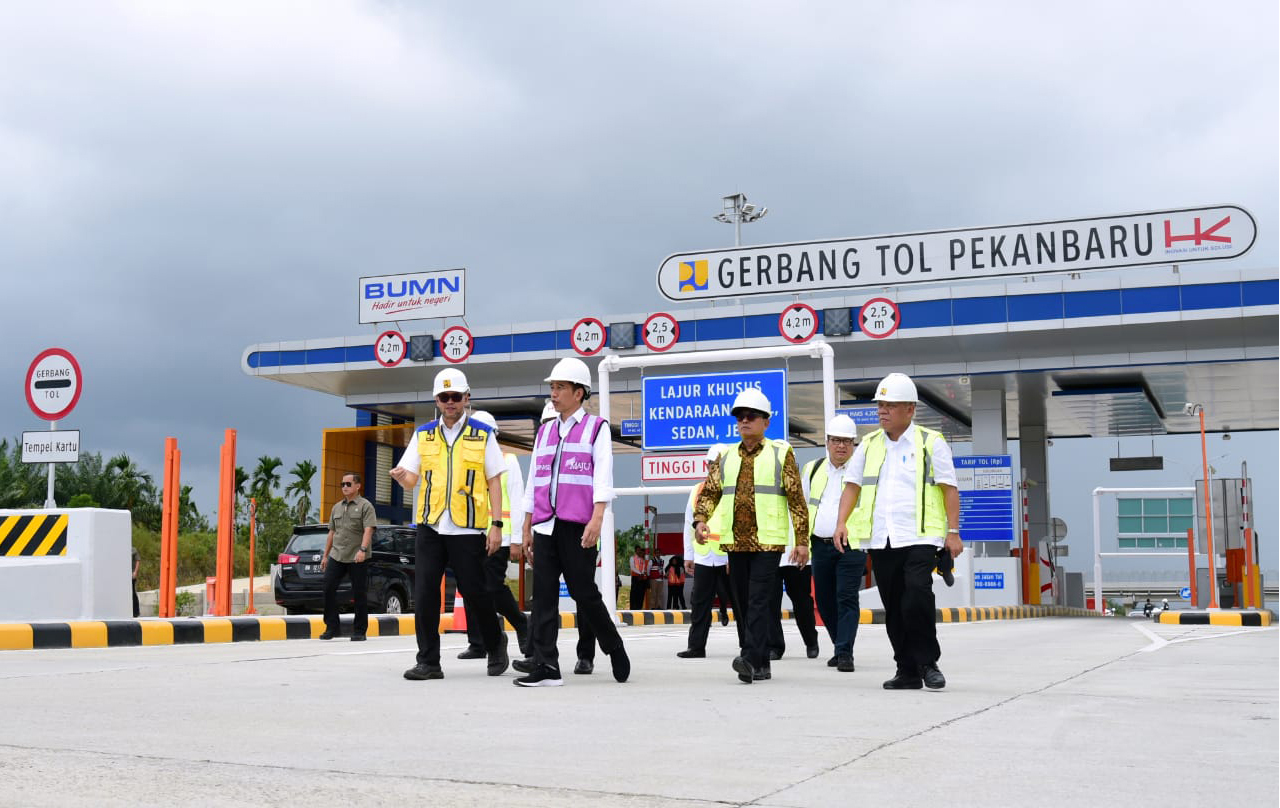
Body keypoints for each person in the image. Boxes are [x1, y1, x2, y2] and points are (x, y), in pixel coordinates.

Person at [834, 373, 961, 690]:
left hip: (920, 536)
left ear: (910, 409)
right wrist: (841, 523)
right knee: (893, 605)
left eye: (890, 405)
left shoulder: (931, 443)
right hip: (881, 538)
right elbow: (851, 488)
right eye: (880, 405)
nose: (882, 411)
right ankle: (906, 670)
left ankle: (928, 663)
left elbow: (949, 489)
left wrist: (953, 531)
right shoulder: (868, 445)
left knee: (916, 595)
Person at [513, 357, 630, 687]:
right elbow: (535, 478)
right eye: (552, 387)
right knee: (545, 596)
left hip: (579, 525)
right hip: (546, 525)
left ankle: (613, 646)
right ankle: (547, 666)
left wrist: (597, 519)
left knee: (584, 592)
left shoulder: (597, 429)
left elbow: (603, 478)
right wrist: (527, 526)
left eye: (560, 387)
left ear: (579, 393)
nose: (554, 393)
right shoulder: (546, 430)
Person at [390, 368, 509, 681]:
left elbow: (494, 481)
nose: (451, 402)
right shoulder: (423, 435)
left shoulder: (483, 435)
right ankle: (428, 661)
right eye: (445, 397)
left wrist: (496, 524)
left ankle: (496, 643)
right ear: (436, 400)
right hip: (430, 525)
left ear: (467, 398)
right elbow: (412, 479)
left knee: (475, 591)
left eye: (456, 397)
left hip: (467, 526)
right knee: (426, 592)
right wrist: (402, 479)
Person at [693, 387, 810, 684]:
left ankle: (748, 656)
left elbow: (796, 499)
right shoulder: (726, 456)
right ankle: (759, 663)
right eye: (740, 417)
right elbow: (711, 492)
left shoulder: (781, 453)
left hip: (768, 541)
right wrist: (700, 520)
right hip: (735, 541)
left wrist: (802, 541)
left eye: (751, 416)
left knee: (759, 599)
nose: (744, 421)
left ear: (766, 422)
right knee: (742, 602)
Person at [457, 410, 532, 660]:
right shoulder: (468, 462)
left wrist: (517, 540)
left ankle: (520, 624)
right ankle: (477, 643)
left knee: (492, 587)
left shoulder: (507, 460)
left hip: (500, 537)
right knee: (470, 587)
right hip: (471, 535)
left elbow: (519, 499)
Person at [804, 414, 865, 673]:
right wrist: (801, 545)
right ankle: (840, 644)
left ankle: (844, 652)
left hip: (852, 544)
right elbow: (802, 508)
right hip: (820, 544)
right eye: (837, 440)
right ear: (827, 442)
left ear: (854, 445)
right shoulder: (813, 469)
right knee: (826, 600)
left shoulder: (862, 470)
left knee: (846, 597)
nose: (842, 446)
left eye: (848, 442)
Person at [678, 443, 746, 659]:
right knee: (699, 603)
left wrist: (736, 554)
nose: (712, 468)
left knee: (739, 602)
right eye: (710, 464)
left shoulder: (736, 490)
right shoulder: (697, 490)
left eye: (716, 464)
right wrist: (689, 555)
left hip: (728, 556)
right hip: (704, 557)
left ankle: (748, 647)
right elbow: (689, 522)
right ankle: (696, 647)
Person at [320, 472, 376, 641]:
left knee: (359, 593)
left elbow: (369, 529)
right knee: (328, 587)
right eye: (342, 484)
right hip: (337, 555)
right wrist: (325, 556)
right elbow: (331, 532)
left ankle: (359, 630)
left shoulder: (366, 506)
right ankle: (331, 627)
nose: (344, 487)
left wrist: (363, 550)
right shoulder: (336, 507)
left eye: (348, 484)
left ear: (357, 486)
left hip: (357, 555)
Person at [767, 534, 820, 661]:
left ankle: (811, 640)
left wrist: (802, 544)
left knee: (802, 601)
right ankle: (775, 646)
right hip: (769, 553)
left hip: (796, 554)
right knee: (770, 602)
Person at [131, 545, 141, 618]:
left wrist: (135, 572)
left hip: (131, 574)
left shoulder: (133, 549)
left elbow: (137, 560)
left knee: (132, 592)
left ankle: (136, 612)